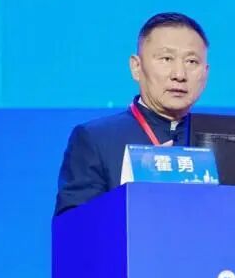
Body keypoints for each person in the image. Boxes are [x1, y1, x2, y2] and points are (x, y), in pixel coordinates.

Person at [54, 12, 210, 215]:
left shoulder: (219, 143)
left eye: (191, 62)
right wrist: (135, 195)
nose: (179, 75)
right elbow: (73, 227)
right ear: (136, 67)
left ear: (206, 72)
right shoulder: (96, 139)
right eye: (166, 59)